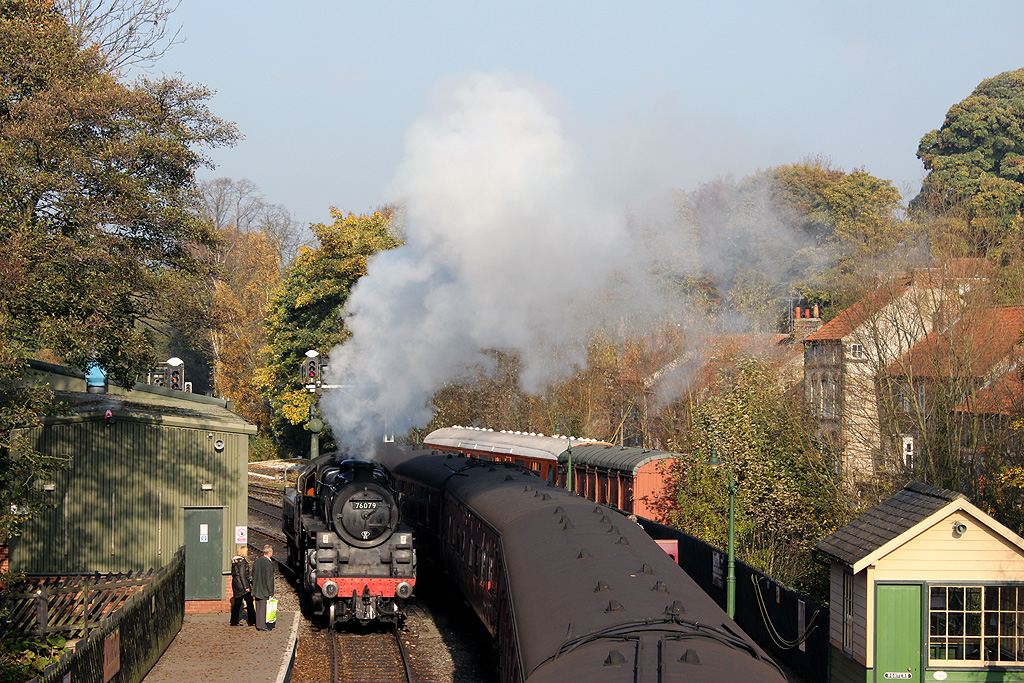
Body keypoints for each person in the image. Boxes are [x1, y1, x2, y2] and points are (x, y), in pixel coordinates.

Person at [229, 545, 255, 626]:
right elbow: (242, 575)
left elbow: (235, 574)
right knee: (250, 604)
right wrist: (246, 587)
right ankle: (252, 621)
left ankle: (233, 621)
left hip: (236, 584)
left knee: (237, 603)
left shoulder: (235, 562)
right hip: (243, 586)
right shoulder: (243, 562)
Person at [252, 544, 275, 631]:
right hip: (263, 588)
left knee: (258, 606)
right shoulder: (268, 564)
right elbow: (269, 579)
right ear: (270, 552)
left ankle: (258, 623)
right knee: (262, 607)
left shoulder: (257, 561)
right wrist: (271, 592)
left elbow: (253, 574)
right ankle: (261, 625)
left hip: (257, 587)